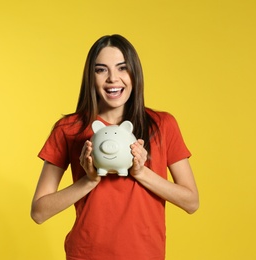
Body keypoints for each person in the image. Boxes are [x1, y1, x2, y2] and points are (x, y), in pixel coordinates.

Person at [31, 34, 199, 260]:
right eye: (101, 70)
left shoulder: (162, 125)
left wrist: (141, 172)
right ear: (91, 77)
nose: (113, 78)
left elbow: (191, 202)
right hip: (86, 254)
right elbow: (39, 212)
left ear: (134, 74)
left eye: (122, 68)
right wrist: (89, 180)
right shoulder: (68, 129)